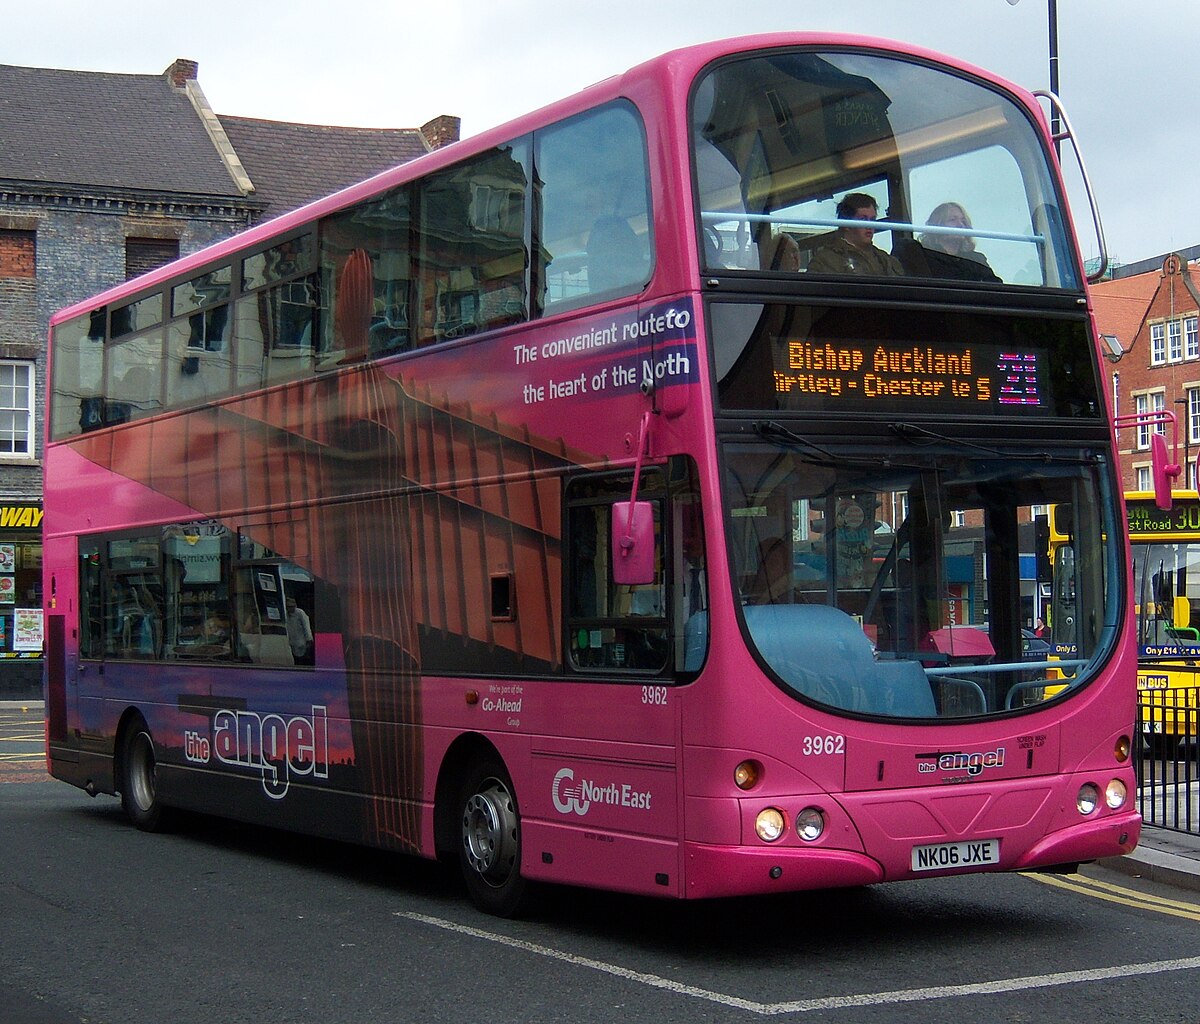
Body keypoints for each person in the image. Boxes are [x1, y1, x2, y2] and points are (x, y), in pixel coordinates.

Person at [897, 202, 1001, 282]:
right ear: (937, 225)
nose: (960, 225)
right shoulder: (920, 255)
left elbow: (995, 289)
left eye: (963, 221)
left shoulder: (976, 260)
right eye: (952, 220)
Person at [806, 193, 903, 277]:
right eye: (863, 219)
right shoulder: (825, 261)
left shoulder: (886, 260)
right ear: (847, 224)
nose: (870, 225)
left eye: (873, 220)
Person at [747, 537, 796, 605]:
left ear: (786, 567)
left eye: (773, 562)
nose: (766, 567)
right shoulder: (748, 597)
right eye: (762, 562)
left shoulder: (794, 600)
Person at [286, 596, 313, 662]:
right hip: (292, 642)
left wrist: (309, 639)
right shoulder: (286, 614)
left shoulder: (300, 612)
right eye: (288, 606)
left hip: (301, 641)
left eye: (292, 606)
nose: (290, 608)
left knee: (301, 659)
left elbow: (306, 626)